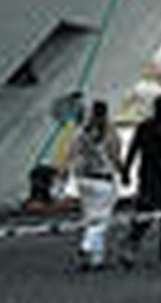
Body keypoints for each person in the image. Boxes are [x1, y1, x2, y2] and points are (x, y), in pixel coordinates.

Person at [120, 94, 161, 267]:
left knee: (142, 217)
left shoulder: (144, 127)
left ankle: (131, 246)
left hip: (147, 178)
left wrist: (126, 171)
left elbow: (133, 149)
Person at [64, 99, 124, 271]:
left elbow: (70, 154)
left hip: (83, 180)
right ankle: (87, 245)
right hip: (103, 180)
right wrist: (124, 172)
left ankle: (96, 259)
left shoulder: (81, 132)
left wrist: (66, 175)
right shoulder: (110, 132)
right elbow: (115, 156)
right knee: (102, 219)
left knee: (90, 218)